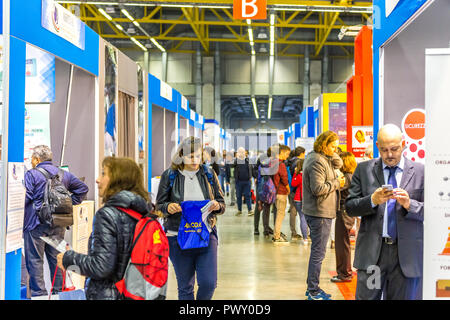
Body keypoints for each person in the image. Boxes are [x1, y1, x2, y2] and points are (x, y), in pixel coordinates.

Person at [345, 124, 424, 300]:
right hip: (373, 256)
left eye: (394, 149)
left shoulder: (420, 172)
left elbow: (429, 211)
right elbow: (349, 207)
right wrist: (372, 200)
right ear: (378, 147)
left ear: (403, 144)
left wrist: (409, 204)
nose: (389, 155)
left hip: (405, 257)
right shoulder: (364, 170)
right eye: (384, 150)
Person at [56, 157, 149, 300]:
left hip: (109, 294)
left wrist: (69, 259)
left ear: (118, 179)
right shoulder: (143, 212)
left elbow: (101, 267)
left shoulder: (107, 215)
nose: (97, 179)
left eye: (104, 174)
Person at [156, 137, 225, 300]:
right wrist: (168, 207)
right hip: (177, 237)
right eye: (190, 156)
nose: (195, 161)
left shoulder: (209, 174)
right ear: (181, 156)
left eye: (198, 156)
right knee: (185, 287)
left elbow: (222, 203)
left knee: (209, 283)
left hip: (206, 235)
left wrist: (217, 206)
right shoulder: (170, 175)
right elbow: (159, 205)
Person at [24, 145, 88, 297]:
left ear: (36, 159)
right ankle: (58, 294)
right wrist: (69, 203)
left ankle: (39, 294)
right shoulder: (63, 174)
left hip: (35, 224)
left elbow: (25, 197)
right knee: (57, 259)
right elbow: (83, 188)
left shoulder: (31, 174)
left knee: (35, 261)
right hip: (57, 223)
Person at [302, 131, 345, 300]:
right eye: (333, 146)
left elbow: (339, 163)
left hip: (321, 212)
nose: (336, 149)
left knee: (318, 252)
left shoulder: (322, 157)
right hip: (319, 213)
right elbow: (318, 189)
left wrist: (332, 152)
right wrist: (337, 183)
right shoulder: (317, 161)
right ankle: (313, 291)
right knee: (318, 253)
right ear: (323, 145)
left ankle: (311, 288)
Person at [331, 152, 357, 283]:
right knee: (344, 243)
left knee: (342, 244)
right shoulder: (352, 176)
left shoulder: (346, 178)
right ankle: (345, 271)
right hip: (348, 212)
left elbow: (335, 189)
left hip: (344, 212)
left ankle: (344, 273)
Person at [272, 144, 291, 244]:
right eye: (287, 154)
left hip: (274, 192)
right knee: (280, 214)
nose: (287, 156)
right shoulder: (281, 165)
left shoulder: (272, 162)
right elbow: (285, 179)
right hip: (281, 192)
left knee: (278, 213)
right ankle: (277, 236)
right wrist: (288, 189)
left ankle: (276, 233)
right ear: (282, 152)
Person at [286, 146, 306, 241]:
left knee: (293, 212)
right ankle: (305, 233)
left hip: (291, 189)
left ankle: (293, 232)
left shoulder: (289, 161)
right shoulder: (300, 162)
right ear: (302, 153)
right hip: (298, 191)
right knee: (303, 214)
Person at [291, 158, 309, 246]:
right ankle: (308, 235)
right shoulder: (310, 175)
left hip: (298, 198)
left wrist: (295, 173)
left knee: (302, 217)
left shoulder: (298, 176)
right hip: (308, 199)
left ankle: (305, 238)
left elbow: (293, 184)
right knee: (308, 218)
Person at [233, 147, 255, 216]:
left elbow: (252, 169)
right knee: (238, 196)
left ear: (245, 152)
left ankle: (250, 210)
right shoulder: (236, 161)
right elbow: (231, 166)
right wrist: (237, 158)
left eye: (242, 152)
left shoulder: (248, 160)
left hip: (247, 181)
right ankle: (239, 210)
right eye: (239, 152)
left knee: (248, 196)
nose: (241, 153)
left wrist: (255, 177)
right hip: (238, 181)